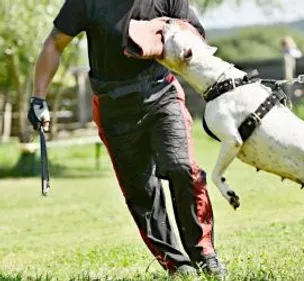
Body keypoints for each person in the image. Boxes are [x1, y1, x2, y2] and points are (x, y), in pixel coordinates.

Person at [27, 0, 227, 278]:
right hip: (113, 106)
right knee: (141, 191)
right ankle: (177, 264)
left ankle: (204, 254)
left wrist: (160, 33)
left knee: (182, 168)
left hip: (162, 95)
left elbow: (195, 38)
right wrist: (38, 98)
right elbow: (55, 43)